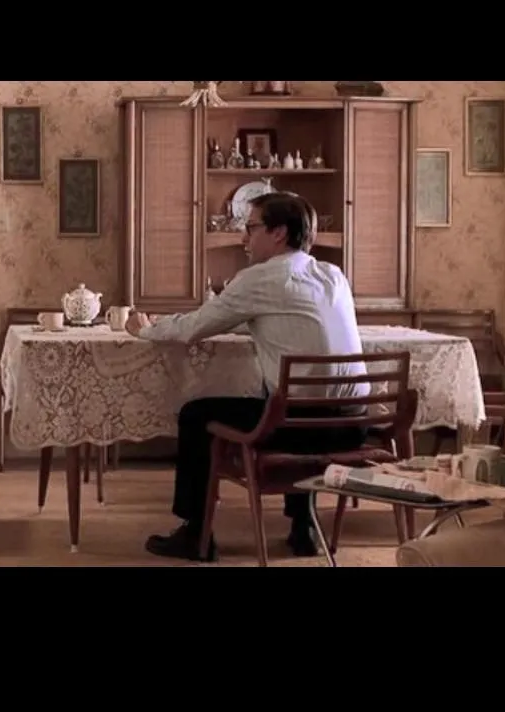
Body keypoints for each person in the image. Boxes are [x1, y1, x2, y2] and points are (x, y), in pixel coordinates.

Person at [125, 191, 370, 562]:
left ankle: (195, 534)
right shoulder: (332, 275)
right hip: (354, 426)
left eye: (251, 227)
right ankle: (303, 526)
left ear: (278, 233)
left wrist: (144, 329)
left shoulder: (260, 279)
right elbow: (288, 320)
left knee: (196, 415)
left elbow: (193, 328)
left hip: (298, 429)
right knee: (291, 396)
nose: (243, 238)